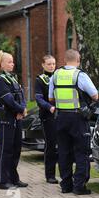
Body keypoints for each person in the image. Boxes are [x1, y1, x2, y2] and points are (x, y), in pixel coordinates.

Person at [49, 49, 98, 195]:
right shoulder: (80, 75)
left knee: (64, 152)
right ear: (78, 60)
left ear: (65, 60)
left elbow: (51, 99)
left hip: (60, 118)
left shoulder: (56, 75)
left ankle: (66, 185)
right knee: (81, 152)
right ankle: (79, 186)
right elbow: (95, 95)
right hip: (77, 118)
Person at [0, 50, 28, 190]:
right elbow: (8, 100)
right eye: (9, 62)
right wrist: (20, 109)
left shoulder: (12, 78)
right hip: (6, 118)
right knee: (6, 149)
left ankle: (13, 178)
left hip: (17, 117)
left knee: (16, 148)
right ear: (1, 64)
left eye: (13, 61)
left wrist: (22, 109)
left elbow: (21, 95)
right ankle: (2, 180)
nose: (13, 64)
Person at [35, 55, 58, 184]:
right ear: (43, 65)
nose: (51, 66)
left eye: (53, 64)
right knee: (51, 145)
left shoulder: (58, 77)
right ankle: (50, 175)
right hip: (48, 116)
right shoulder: (40, 80)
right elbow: (38, 98)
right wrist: (49, 107)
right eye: (49, 64)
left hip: (60, 115)